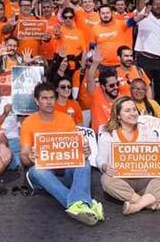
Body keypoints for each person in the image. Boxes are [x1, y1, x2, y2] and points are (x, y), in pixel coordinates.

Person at [20, 82, 104, 226]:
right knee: (37, 170)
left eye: (52, 97)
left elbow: (75, 149)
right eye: (44, 98)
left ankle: (79, 206)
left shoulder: (66, 119)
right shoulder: (28, 122)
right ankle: (85, 204)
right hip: (43, 174)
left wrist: (84, 151)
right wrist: (30, 158)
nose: (49, 102)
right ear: (36, 101)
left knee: (84, 162)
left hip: (64, 170)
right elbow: (24, 156)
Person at [97, 98, 160, 215]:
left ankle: (136, 206)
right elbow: (100, 159)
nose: (133, 113)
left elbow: (159, 156)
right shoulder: (107, 133)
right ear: (118, 115)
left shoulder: (147, 131)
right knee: (106, 180)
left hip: (146, 180)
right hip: (123, 180)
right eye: (128, 110)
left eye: (134, 109)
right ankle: (152, 204)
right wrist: (105, 167)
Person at [132, 0, 160, 101]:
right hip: (145, 59)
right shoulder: (143, 18)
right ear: (151, 6)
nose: (158, 6)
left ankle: (159, 112)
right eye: (156, 4)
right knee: (143, 89)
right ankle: (145, 113)